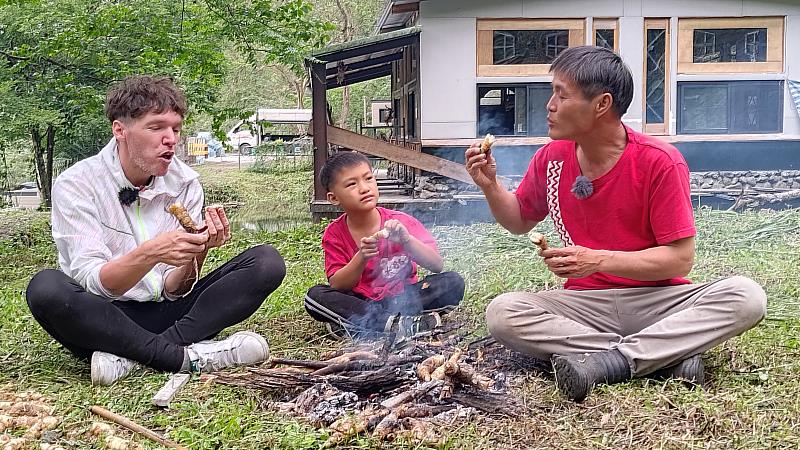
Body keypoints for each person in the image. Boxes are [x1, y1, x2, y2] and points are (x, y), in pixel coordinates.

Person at [465, 46, 767, 403]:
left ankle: (610, 361)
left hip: (656, 300)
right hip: (585, 306)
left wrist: (597, 260)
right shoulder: (552, 159)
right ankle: (662, 357)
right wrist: (491, 186)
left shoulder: (660, 162)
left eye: (562, 94)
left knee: (746, 296)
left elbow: (679, 260)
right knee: (503, 312)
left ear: (601, 104)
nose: (550, 105)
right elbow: (518, 220)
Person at [25, 75, 286, 386]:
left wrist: (197, 249)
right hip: (106, 320)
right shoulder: (77, 184)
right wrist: (150, 253)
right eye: (156, 127)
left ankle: (134, 360)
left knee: (266, 262)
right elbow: (94, 284)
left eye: (175, 128)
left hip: (167, 313)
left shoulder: (185, 183)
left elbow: (175, 289)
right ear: (119, 130)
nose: (171, 138)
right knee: (46, 288)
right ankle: (187, 358)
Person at [304, 152, 464, 339]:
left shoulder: (402, 222)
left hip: (404, 298)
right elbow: (338, 285)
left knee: (452, 282)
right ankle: (397, 324)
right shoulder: (335, 233)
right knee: (315, 296)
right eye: (351, 184)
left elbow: (437, 265)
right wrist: (361, 257)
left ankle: (359, 325)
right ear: (333, 198)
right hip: (360, 302)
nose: (364, 188)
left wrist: (407, 241)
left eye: (368, 178)